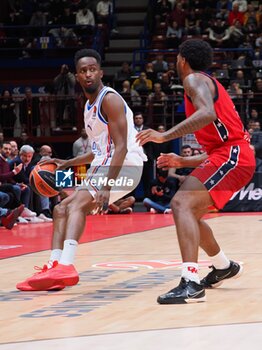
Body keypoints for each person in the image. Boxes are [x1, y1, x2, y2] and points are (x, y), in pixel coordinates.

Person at [136, 39, 256, 304]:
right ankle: (223, 266)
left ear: (182, 60)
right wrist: (181, 160)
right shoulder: (205, 81)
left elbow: (207, 114)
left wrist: (163, 135)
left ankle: (190, 282)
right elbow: (219, 145)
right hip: (233, 156)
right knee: (188, 212)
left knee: (180, 204)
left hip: (233, 156)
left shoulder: (193, 80)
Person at [17, 48, 146, 291]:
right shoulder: (89, 107)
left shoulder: (110, 99)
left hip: (125, 167)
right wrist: (66, 163)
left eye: (92, 69)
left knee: (75, 206)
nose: (88, 74)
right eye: (83, 71)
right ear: (77, 76)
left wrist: (106, 188)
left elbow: (120, 147)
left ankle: (66, 265)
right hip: (104, 165)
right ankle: (55, 266)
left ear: (101, 72)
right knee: (61, 207)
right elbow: (97, 151)